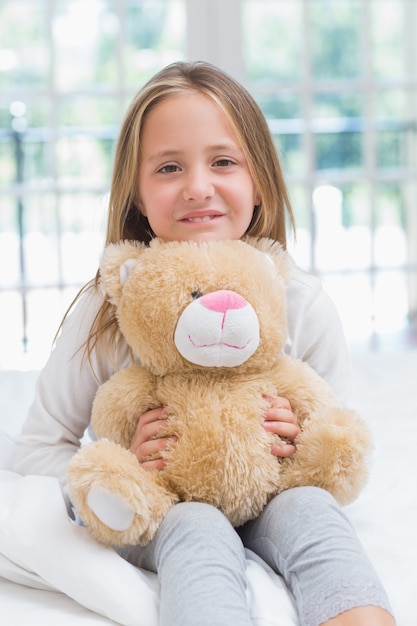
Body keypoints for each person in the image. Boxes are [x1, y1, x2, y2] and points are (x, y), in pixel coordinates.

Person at [12, 61, 395, 626]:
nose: (197, 186)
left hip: (270, 497)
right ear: (138, 195)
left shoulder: (299, 300)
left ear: (259, 179)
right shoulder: (107, 307)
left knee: (313, 511)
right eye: (168, 167)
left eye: (223, 161)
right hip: (168, 501)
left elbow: (340, 442)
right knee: (196, 526)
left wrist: (302, 440)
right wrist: (123, 463)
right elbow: (34, 450)